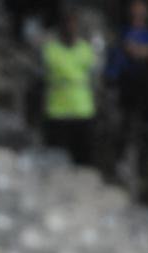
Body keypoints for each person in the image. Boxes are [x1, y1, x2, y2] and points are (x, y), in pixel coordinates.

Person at [42, 10, 98, 168]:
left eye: (73, 25)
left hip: (82, 111)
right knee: (56, 161)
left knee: (83, 162)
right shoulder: (51, 50)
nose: (70, 28)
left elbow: (94, 77)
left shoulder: (86, 50)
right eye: (67, 25)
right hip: (58, 112)